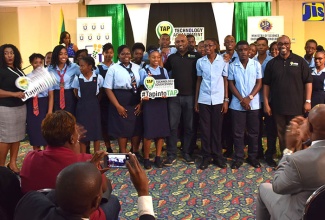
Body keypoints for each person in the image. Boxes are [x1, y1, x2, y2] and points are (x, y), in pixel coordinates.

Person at [20, 110, 120, 220]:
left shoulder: (30, 158)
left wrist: (74, 140)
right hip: (79, 216)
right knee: (113, 200)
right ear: (72, 138)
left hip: (39, 214)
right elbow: (101, 193)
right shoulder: (86, 162)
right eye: (75, 131)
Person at [16, 154, 155, 220]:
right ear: (96, 203)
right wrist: (143, 191)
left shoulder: (30, 202)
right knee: (112, 200)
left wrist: (87, 172)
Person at [256, 104, 325, 220]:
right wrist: (307, 141)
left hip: (300, 215)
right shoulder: (302, 159)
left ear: (310, 128)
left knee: (264, 188)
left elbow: (278, 187)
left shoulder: (298, 161)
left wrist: (290, 149)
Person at [263, 35, 313, 154]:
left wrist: (308, 101)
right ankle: (285, 158)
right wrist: (266, 103)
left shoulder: (300, 61)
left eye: (286, 43)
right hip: (278, 107)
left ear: (290, 44)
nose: (283, 46)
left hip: (296, 107)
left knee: (297, 134)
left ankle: (297, 158)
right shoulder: (271, 64)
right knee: (282, 135)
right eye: (280, 44)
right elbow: (266, 85)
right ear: (277, 45)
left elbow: (308, 82)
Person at [163, 34, 201, 166]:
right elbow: (162, 72)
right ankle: (171, 154)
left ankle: (187, 153)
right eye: (178, 41)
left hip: (190, 97)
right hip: (174, 97)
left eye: (183, 41)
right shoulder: (172, 58)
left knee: (189, 127)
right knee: (172, 126)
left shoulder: (196, 57)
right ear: (175, 43)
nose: (180, 43)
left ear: (187, 42)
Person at [195, 38, 229, 170]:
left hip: (218, 100)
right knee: (205, 129)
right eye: (205, 46)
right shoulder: (200, 62)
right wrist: (196, 100)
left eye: (210, 45)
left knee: (217, 129)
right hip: (203, 99)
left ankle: (217, 156)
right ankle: (206, 156)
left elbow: (225, 80)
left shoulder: (223, 61)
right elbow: (198, 80)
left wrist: (226, 100)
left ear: (215, 46)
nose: (207, 47)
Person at [228, 40, 262, 169]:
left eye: (245, 49)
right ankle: (238, 157)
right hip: (237, 104)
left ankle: (253, 157)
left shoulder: (256, 64)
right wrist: (242, 99)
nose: (243, 52)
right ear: (237, 51)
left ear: (249, 51)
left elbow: (259, 82)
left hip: (253, 104)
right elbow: (231, 84)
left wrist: (249, 98)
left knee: (254, 132)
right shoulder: (232, 65)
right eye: (240, 50)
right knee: (238, 133)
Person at [103, 45, 142, 154]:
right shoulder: (113, 68)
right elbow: (107, 88)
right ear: (118, 56)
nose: (126, 56)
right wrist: (117, 106)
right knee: (122, 129)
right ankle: (123, 153)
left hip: (136, 99)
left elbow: (143, 85)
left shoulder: (137, 67)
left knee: (136, 128)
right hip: (120, 100)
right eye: (123, 54)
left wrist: (141, 103)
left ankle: (135, 152)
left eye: (128, 53)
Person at [139, 46, 170, 169]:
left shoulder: (164, 71)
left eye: (158, 57)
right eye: (153, 57)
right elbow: (141, 88)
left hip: (161, 104)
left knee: (160, 132)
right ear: (149, 58)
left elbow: (168, 87)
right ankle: (146, 158)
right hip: (149, 105)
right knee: (149, 133)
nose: (156, 59)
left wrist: (166, 94)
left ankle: (157, 157)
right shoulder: (144, 71)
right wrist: (143, 96)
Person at [0, 44, 26, 175]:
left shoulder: (18, 69)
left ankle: (13, 163)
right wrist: (14, 94)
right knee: (6, 137)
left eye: (12, 53)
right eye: (6, 53)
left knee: (17, 136)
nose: (9, 56)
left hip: (20, 106)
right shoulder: (1, 70)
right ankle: (1, 165)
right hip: (6, 107)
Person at [254, 37, 277, 167]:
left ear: (267, 47)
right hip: (256, 100)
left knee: (270, 129)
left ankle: (270, 154)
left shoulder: (273, 62)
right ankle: (258, 152)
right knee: (256, 128)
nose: (261, 47)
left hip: (269, 99)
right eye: (259, 45)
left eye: (263, 45)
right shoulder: (252, 61)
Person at [72, 56, 103, 153]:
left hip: (94, 107)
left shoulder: (98, 77)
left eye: (82, 66)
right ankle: (83, 156)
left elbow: (101, 91)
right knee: (83, 134)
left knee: (96, 133)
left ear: (90, 67)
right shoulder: (78, 78)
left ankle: (96, 157)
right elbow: (75, 93)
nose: (80, 68)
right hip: (82, 108)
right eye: (79, 66)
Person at [26, 53, 53, 151]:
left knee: (45, 133)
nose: (38, 65)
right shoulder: (27, 77)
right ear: (31, 63)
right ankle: (36, 156)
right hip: (32, 105)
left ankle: (46, 156)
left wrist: (49, 111)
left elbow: (51, 95)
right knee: (34, 133)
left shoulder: (47, 76)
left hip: (43, 104)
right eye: (35, 62)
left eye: (40, 62)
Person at [48, 44, 81, 116]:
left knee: (69, 119)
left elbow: (84, 74)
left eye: (65, 54)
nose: (64, 56)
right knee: (57, 120)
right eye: (61, 54)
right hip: (55, 96)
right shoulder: (50, 69)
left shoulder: (73, 67)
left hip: (69, 95)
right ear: (56, 55)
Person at [96, 43, 115, 153]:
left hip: (115, 98)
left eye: (111, 52)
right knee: (104, 123)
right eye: (106, 52)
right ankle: (108, 147)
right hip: (103, 99)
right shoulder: (98, 68)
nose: (109, 54)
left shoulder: (117, 66)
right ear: (103, 53)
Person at [222, 35, 238, 158]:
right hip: (224, 94)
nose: (230, 43)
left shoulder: (242, 55)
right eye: (227, 42)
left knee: (237, 124)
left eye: (232, 41)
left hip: (239, 94)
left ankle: (239, 149)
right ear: (224, 44)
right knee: (227, 123)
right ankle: (228, 148)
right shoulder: (220, 57)